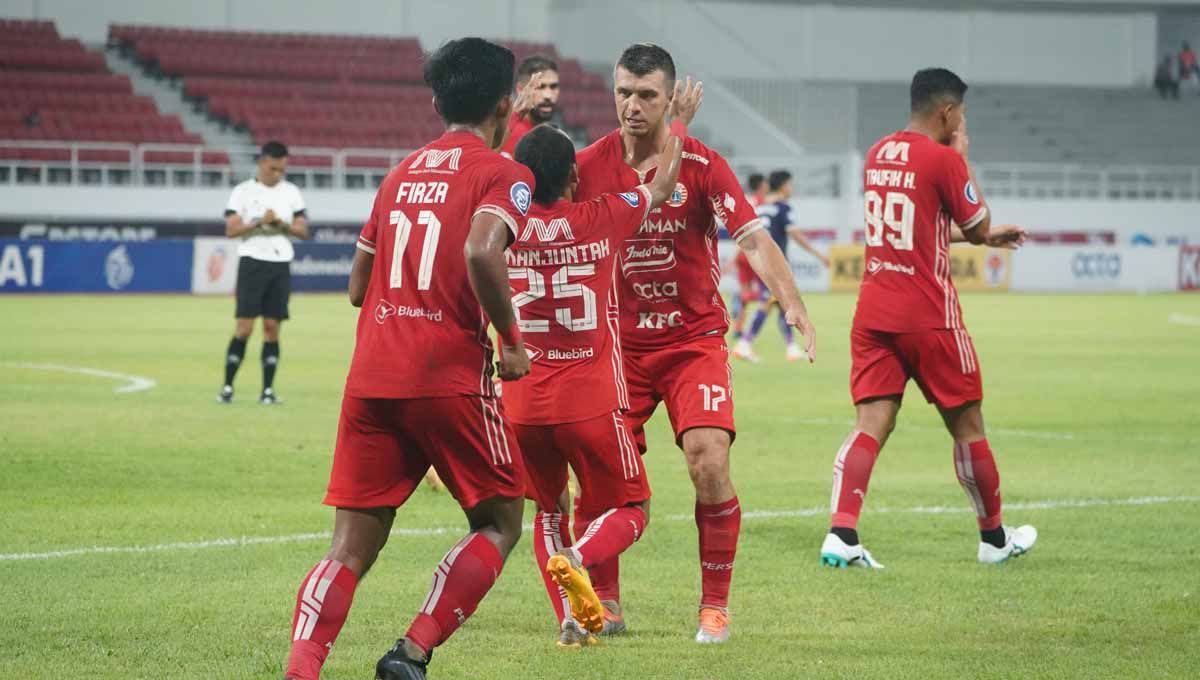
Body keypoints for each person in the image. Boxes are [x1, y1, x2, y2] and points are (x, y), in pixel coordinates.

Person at [281, 38, 535, 680]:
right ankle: (411, 651)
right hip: (447, 375)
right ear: (506, 105)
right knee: (501, 519)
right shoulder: (506, 173)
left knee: (349, 547)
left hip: (372, 375)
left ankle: (301, 669)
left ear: (435, 100)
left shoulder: (399, 173)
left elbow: (357, 289)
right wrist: (510, 338)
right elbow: (483, 250)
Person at [573, 43, 816, 644]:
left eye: (647, 95)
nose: (632, 105)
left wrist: (791, 300)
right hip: (616, 347)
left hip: (692, 341)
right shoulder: (586, 167)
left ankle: (714, 608)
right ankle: (603, 603)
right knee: (600, 479)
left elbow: (753, 239)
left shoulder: (704, 165)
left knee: (709, 460)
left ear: (670, 97)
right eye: (624, 91)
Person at [507, 79, 702, 648]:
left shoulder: (502, 231)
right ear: (573, 177)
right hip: (590, 399)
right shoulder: (602, 216)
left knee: (548, 509)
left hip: (521, 403)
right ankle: (579, 557)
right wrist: (681, 124)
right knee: (633, 507)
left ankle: (569, 617)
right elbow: (664, 184)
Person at [818, 67, 1036, 570]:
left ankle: (842, 533)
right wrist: (963, 157)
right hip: (928, 313)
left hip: (874, 310)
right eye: (960, 113)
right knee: (968, 424)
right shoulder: (942, 158)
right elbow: (977, 224)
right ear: (946, 112)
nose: (961, 121)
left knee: (871, 423)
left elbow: (917, 229)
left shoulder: (878, 153)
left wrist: (982, 235)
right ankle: (995, 539)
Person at [218, 141, 308, 405]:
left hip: (280, 263)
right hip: (252, 261)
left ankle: (267, 391)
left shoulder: (291, 192)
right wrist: (259, 222)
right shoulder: (242, 192)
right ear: (262, 163)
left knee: (272, 328)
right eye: (273, 169)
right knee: (244, 327)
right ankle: (227, 387)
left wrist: (281, 223)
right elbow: (231, 230)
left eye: (282, 170)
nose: (278, 174)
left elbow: (303, 230)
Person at [733, 170, 830, 363]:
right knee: (767, 304)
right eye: (790, 184)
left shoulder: (762, 206)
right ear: (784, 185)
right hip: (775, 265)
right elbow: (795, 234)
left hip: (759, 261)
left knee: (782, 305)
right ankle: (744, 344)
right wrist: (819, 255)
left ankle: (791, 348)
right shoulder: (783, 208)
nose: (791, 188)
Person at [500, 55, 561, 158]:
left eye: (553, 87)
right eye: (540, 87)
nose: (548, 96)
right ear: (520, 89)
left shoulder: (554, 136)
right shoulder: (512, 136)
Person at [729, 173, 766, 339]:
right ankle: (741, 298)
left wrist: (735, 255)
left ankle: (738, 327)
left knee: (747, 291)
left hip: (742, 252)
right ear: (761, 185)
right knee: (769, 294)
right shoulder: (763, 204)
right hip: (754, 253)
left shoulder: (745, 201)